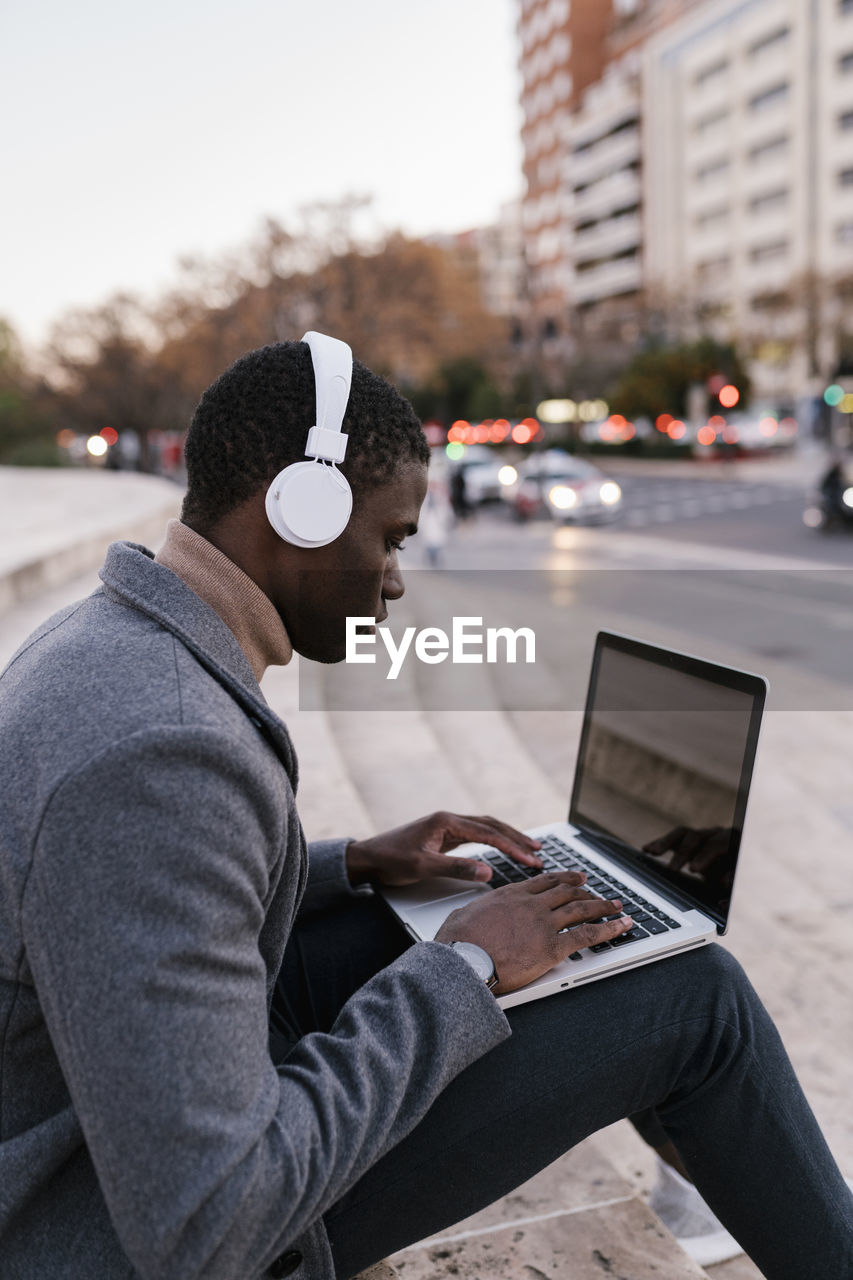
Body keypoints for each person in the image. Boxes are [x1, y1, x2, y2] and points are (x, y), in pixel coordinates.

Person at [1, 339, 851, 1280]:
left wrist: (354, 863)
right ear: (303, 511)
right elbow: (210, 1224)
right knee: (699, 1001)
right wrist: (468, 963)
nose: (397, 578)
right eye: (393, 536)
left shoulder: (106, 641)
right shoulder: (163, 751)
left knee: (541, 918)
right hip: (98, 1227)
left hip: (97, 1114)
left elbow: (137, 900)